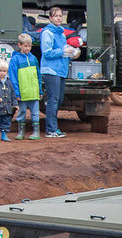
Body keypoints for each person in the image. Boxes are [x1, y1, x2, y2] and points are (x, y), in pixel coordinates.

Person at [40, 7, 76, 139]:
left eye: (60, 16)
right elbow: (47, 52)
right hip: (50, 70)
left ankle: (53, 127)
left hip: (61, 71)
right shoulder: (47, 33)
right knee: (53, 100)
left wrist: (72, 53)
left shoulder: (61, 34)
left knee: (58, 100)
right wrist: (63, 52)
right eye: (56, 16)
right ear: (50, 18)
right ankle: (51, 130)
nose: (59, 18)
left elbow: (64, 50)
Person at [9, 33, 42, 140]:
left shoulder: (34, 59)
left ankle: (36, 132)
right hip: (22, 93)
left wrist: (40, 90)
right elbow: (13, 78)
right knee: (21, 112)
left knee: (35, 113)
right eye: (25, 46)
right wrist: (16, 93)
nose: (28, 48)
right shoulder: (15, 60)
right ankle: (21, 132)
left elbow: (38, 75)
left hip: (34, 92)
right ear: (20, 45)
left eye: (29, 46)